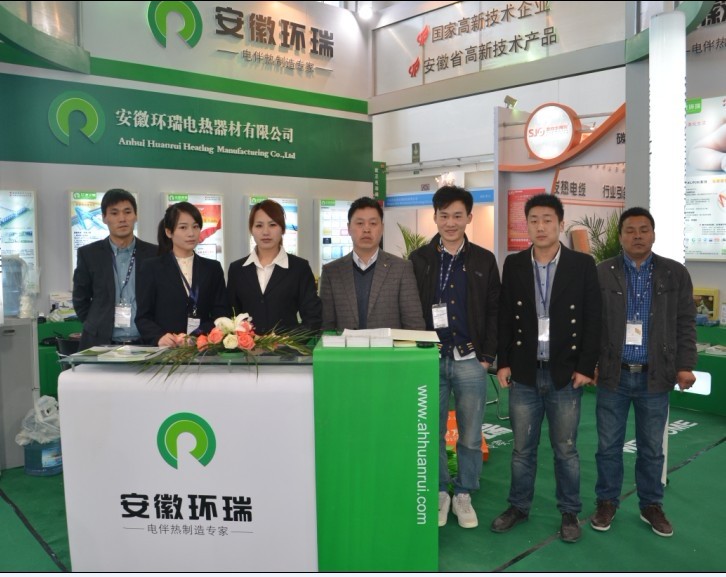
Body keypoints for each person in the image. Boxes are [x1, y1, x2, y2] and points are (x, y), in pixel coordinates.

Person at [492, 193, 601, 544]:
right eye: (534, 220)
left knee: (565, 449)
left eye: (547, 220)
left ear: (560, 223)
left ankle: (569, 512)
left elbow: (593, 319)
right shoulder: (514, 264)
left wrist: (586, 366)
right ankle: (518, 506)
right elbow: (504, 316)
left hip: (564, 373)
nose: (540, 227)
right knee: (522, 449)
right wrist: (503, 362)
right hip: (524, 371)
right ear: (526, 225)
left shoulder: (581, 265)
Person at [590, 207, 697, 537]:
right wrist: (589, 364)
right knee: (608, 447)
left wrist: (685, 365)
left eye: (644, 229)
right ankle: (606, 502)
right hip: (613, 375)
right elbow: (592, 324)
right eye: (630, 230)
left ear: (653, 234)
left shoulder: (674, 273)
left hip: (656, 376)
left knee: (651, 448)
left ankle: (651, 505)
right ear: (620, 236)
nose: (637, 235)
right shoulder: (602, 272)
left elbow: (685, 322)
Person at [410, 185, 500, 529]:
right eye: (444, 215)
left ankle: (464, 492)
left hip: (469, 360)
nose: (450, 222)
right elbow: (410, 308)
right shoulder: (419, 260)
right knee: (429, 431)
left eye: (457, 216)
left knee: (470, 433)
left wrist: (486, 357)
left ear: (469, 218)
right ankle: (438, 490)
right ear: (434, 217)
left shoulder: (483, 260)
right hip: (428, 359)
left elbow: (494, 310)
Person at [319, 196, 425, 331]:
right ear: (349, 228)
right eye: (360, 223)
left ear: (382, 228)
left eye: (373, 223)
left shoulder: (402, 269)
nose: (366, 229)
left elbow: (414, 325)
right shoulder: (332, 272)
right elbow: (326, 328)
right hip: (346, 345)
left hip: (389, 346)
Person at [72, 188, 157, 349]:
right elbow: (80, 299)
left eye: (127, 212)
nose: (122, 219)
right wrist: (96, 324)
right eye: (114, 213)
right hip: (101, 344)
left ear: (136, 216)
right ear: (104, 218)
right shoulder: (89, 254)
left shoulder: (154, 254)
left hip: (146, 343)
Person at [136, 202, 230, 347]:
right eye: (183, 227)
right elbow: (143, 317)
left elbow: (221, 315)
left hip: (201, 348)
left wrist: (197, 336)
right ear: (169, 232)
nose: (191, 233)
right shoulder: (152, 267)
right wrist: (159, 337)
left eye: (195, 226)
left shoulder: (212, 268)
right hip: (166, 349)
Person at [227, 199, 322, 334]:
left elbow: (313, 318)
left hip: (288, 347)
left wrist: (285, 341)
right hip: (247, 347)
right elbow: (231, 317)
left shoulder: (299, 268)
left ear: (282, 229)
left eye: (272, 225)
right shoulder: (237, 269)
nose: (265, 232)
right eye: (259, 225)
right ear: (251, 230)